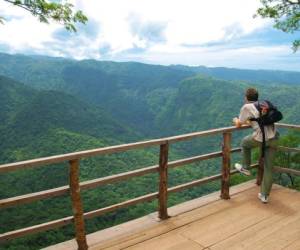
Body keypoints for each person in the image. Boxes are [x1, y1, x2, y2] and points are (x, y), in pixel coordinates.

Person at [232, 87, 279, 203]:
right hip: (275, 137)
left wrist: (235, 119)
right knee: (269, 168)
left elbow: (239, 124)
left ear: (246, 97)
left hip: (261, 138)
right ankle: (264, 196)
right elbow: (257, 120)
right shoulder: (262, 105)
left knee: (244, 143)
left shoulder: (246, 107)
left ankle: (246, 167)